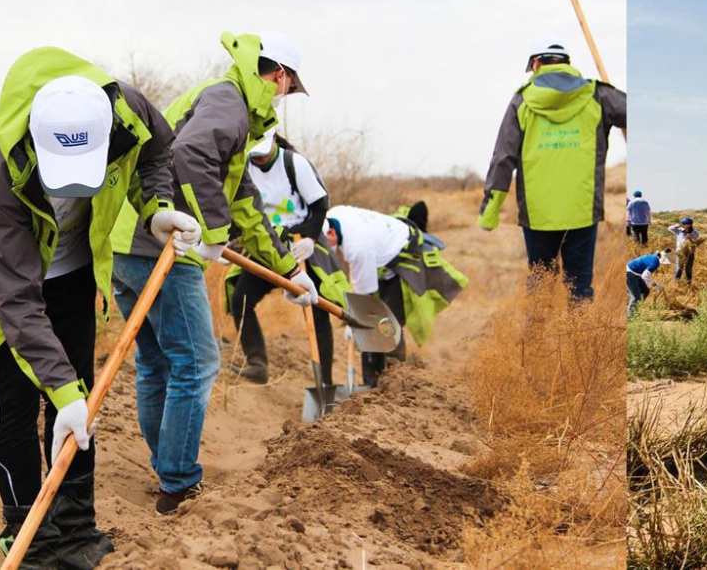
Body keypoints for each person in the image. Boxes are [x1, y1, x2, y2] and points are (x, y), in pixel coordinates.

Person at [0, 47, 190, 565]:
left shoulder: (125, 112)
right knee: (19, 408)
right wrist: (61, 388)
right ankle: (29, 532)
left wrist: (158, 207)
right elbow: (17, 300)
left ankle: (74, 526)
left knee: (76, 405)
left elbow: (158, 153)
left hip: (72, 273)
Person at [111, 32, 314, 515]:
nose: (285, 98)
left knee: (159, 363)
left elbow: (246, 202)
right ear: (279, 76)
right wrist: (213, 229)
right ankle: (179, 484)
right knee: (198, 362)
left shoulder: (225, 104)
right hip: (163, 246)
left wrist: (289, 270)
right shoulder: (229, 102)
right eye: (287, 88)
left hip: (129, 242)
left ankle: (168, 470)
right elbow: (189, 157)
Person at [480, 38, 628, 301]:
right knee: (579, 285)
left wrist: (491, 209)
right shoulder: (598, 94)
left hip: (538, 212)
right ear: (568, 65)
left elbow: (504, 156)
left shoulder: (522, 100)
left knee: (541, 281)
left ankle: (539, 341)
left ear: (536, 64)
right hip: (581, 209)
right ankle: (580, 340)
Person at [223, 130, 329, 385]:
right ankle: (257, 364)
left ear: (273, 141)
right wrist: (230, 243)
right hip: (267, 244)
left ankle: (324, 381)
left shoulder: (294, 163)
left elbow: (320, 204)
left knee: (316, 307)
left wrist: (310, 239)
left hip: (298, 243)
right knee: (241, 300)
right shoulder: (244, 166)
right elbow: (240, 210)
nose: (259, 160)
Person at [322, 203, 467, 387]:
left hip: (404, 258)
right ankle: (372, 383)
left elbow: (364, 300)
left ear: (332, 233)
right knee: (371, 323)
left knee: (387, 324)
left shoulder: (358, 247)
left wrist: (353, 322)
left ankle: (396, 378)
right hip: (384, 260)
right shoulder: (334, 214)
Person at [625, 250, 669, 317]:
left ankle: (634, 310)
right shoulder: (655, 263)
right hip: (630, 273)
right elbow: (645, 276)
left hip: (636, 273)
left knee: (645, 291)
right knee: (636, 297)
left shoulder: (654, 257)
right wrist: (656, 285)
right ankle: (630, 316)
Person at [667, 217, 700, 284]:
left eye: (686, 224)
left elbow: (694, 239)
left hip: (690, 252)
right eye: (683, 224)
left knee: (688, 269)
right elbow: (670, 228)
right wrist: (677, 225)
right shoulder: (679, 231)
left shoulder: (694, 232)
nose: (684, 226)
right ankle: (676, 283)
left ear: (690, 225)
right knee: (679, 268)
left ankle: (688, 283)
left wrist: (689, 236)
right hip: (680, 252)